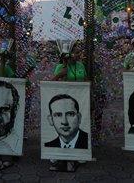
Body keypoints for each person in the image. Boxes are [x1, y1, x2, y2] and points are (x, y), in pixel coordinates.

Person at [50, 42, 87, 172]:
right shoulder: (60, 66)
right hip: (64, 105)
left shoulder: (81, 65)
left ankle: (76, 155)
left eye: (79, 52)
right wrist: (61, 74)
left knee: (77, 128)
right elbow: (53, 82)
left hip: (80, 103)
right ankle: (61, 156)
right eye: (76, 52)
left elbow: (86, 81)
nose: (78, 55)